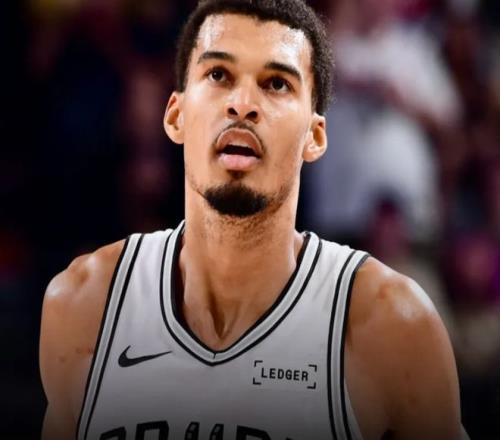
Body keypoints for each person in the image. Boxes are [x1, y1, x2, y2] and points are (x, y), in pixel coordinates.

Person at [39, 0, 464, 439]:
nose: (243, 104)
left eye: (276, 83)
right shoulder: (84, 305)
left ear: (315, 136)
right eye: (218, 75)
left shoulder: (391, 325)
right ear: (176, 115)